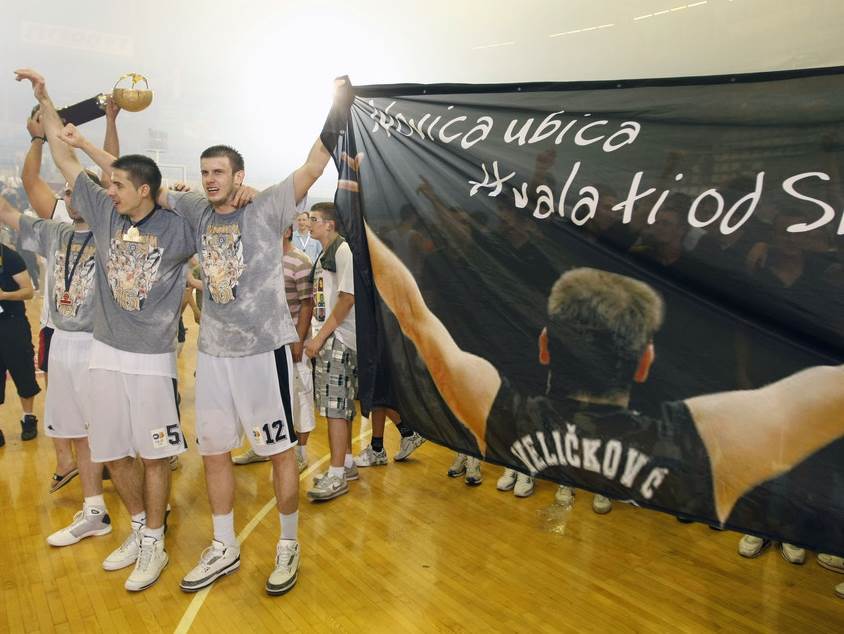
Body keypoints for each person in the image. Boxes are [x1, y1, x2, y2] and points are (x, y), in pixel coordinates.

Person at [360, 197, 844, 530]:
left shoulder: (504, 414)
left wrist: (353, 206)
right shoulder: (700, 442)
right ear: (645, 361)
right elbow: (822, 392)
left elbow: (413, 315)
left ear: (545, 345)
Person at [18, 68, 194, 592]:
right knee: (114, 448)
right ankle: (139, 529)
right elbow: (64, 158)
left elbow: (210, 207)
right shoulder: (105, 216)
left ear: (145, 189)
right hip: (103, 352)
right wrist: (47, 99)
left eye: (118, 185)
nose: (107, 190)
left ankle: (157, 541)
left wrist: (99, 148)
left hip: (151, 359)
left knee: (157, 454)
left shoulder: (175, 226)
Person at [164, 110, 337, 594]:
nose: (209, 180)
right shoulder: (197, 210)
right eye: (204, 173)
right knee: (215, 452)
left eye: (218, 172)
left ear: (239, 176)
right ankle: (224, 545)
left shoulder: (266, 207)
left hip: (264, 353)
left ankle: (287, 543)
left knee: (280, 452)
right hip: (215, 354)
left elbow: (315, 163)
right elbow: (137, 182)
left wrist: (336, 107)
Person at [0, 180, 111, 548]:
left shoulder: (113, 232)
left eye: (81, 192)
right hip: (62, 338)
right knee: (78, 431)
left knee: (108, 432)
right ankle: (95, 509)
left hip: (99, 343)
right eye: (67, 193)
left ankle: (148, 519)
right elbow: (6, 211)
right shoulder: (54, 233)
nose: (72, 199)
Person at [304, 202, 359, 501]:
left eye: (314, 219)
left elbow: (348, 298)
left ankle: (337, 473)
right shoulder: (326, 253)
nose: (309, 224)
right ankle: (346, 463)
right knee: (338, 406)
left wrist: (320, 338)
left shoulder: (343, 250)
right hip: (330, 336)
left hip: (337, 338)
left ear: (330, 224)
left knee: (336, 408)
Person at [0, 237, 39, 446]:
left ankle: (28, 417)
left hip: (12, 325)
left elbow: (28, 291)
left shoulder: (11, 257)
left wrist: (4, 295)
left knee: (23, 372)